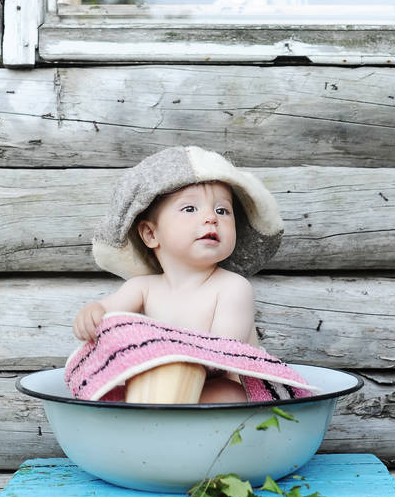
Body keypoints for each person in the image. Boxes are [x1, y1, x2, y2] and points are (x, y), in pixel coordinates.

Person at [72, 146, 284, 403]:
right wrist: (92, 314)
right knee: (117, 391)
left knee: (230, 395)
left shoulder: (231, 287)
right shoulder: (142, 288)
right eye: (190, 209)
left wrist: (169, 366)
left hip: (215, 385)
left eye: (222, 211)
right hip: (159, 384)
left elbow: (224, 357)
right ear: (151, 234)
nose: (210, 218)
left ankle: (164, 420)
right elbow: (108, 315)